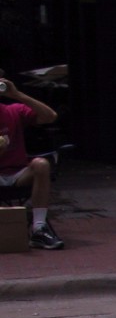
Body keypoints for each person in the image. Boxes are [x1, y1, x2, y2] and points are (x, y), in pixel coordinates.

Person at [0, 75, 63, 249]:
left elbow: (50, 116)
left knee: (41, 164)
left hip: (17, 173)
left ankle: (39, 228)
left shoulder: (12, 110)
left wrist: (17, 94)